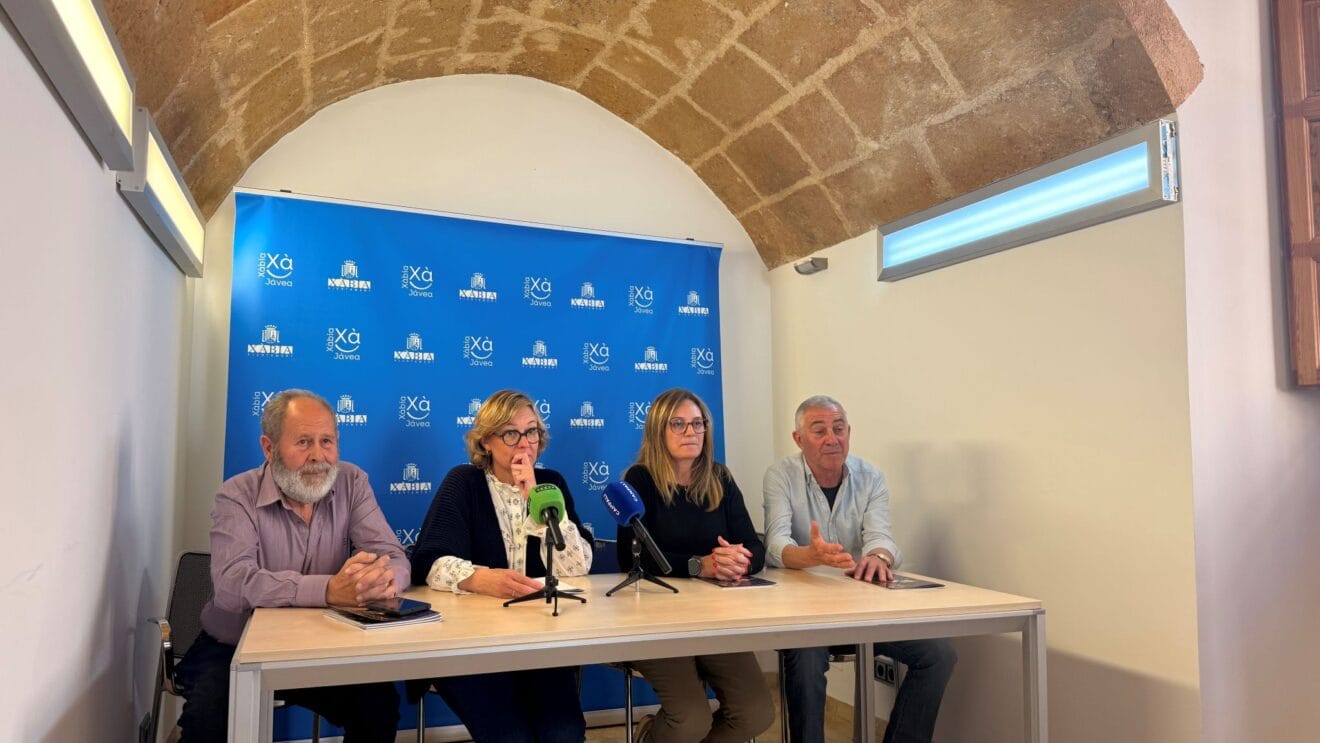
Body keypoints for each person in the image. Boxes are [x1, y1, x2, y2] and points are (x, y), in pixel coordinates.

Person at [177, 389, 408, 743]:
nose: (318, 456)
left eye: (327, 441)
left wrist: (381, 580)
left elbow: (393, 556)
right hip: (233, 645)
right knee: (208, 718)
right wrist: (329, 590)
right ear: (269, 448)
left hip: (324, 644)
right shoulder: (236, 495)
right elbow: (232, 584)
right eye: (303, 442)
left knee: (377, 706)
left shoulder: (352, 482)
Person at [764, 395, 957, 743]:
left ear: (849, 433)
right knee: (806, 661)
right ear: (799, 439)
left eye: (838, 429)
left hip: (861, 611)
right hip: (803, 614)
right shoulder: (781, 476)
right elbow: (775, 546)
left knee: (938, 653)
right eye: (819, 430)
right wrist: (812, 556)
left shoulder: (870, 477)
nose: (831, 438)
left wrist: (878, 558)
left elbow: (881, 538)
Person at [409, 389, 592, 743]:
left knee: (564, 733)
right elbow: (428, 562)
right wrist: (480, 578)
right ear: (487, 441)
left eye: (532, 431)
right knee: (510, 737)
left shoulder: (550, 484)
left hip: (539, 642)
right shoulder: (464, 483)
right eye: (511, 433)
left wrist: (534, 500)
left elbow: (578, 565)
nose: (524, 444)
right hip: (471, 645)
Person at [616, 388, 775, 743]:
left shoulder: (720, 477)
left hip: (715, 618)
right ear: (659, 431)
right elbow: (631, 558)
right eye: (679, 424)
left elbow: (755, 547)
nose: (691, 432)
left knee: (756, 713)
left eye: (697, 424)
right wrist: (698, 566)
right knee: (689, 720)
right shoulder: (640, 479)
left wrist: (737, 561)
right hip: (656, 620)